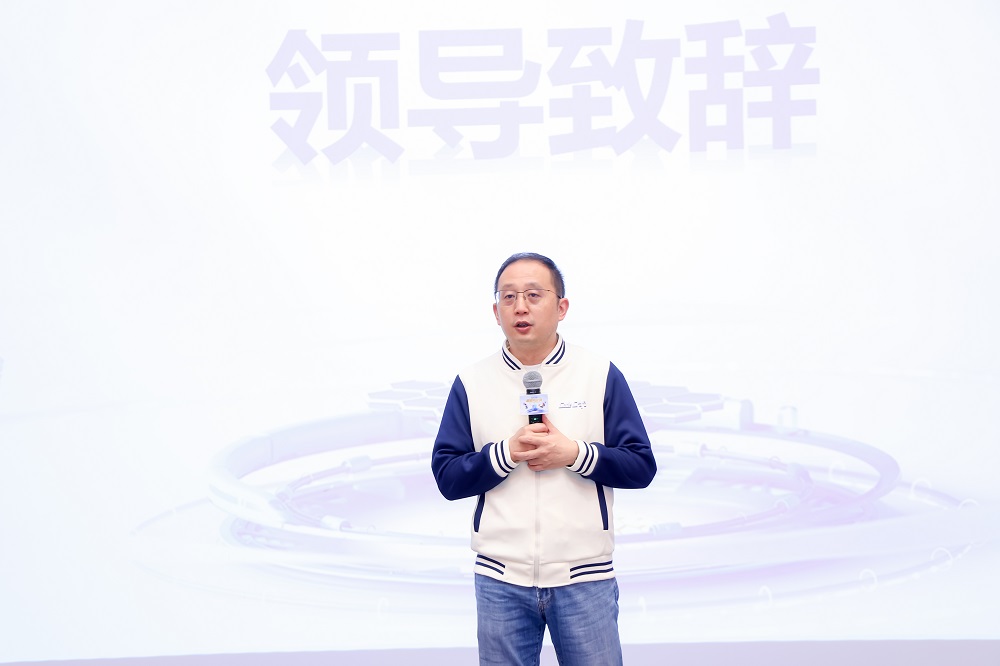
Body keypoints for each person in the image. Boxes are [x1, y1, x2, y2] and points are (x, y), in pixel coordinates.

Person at [431, 252, 657, 665]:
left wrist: (574, 454)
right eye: (509, 296)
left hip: (585, 577)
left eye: (534, 295)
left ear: (562, 307)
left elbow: (641, 466)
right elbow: (447, 476)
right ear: (496, 312)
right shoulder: (471, 382)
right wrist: (505, 454)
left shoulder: (599, 374)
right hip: (500, 580)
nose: (520, 306)